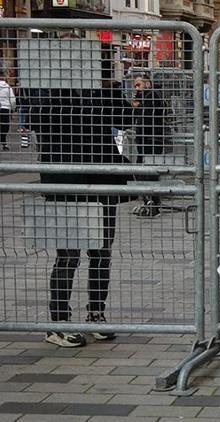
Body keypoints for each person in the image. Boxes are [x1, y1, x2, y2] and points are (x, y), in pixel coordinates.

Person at [32, 87, 132, 347]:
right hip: (65, 181)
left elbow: (125, 119)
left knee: (101, 251)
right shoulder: (50, 86)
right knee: (68, 255)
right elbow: (35, 121)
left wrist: (106, 86)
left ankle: (95, 315)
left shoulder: (101, 86)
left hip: (100, 179)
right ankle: (59, 322)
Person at [131, 74, 165, 216]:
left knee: (147, 172)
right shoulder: (146, 97)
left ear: (147, 84)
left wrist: (138, 106)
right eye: (135, 85)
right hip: (145, 139)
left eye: (139, 84)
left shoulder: (152, 97)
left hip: (150, 139)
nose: (136, 88)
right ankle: (149, 201)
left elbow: (146, 117)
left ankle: (152, 203)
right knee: (143, 172)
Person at [0, 72, 16, 151]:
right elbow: (12, 99)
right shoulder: (8, 88)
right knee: (4, 127)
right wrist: (13, 108)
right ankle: (4, 143)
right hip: (5, 109)